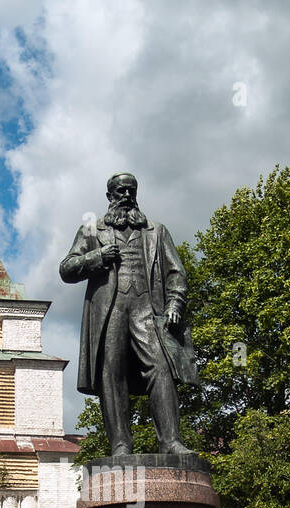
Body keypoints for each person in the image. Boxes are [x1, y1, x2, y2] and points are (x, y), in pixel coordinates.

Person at [60, 173, 198, 458]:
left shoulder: (156, 231)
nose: (126, 195)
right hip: (109, 311)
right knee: (112, 373)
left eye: (131, 190)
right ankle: (120, 444)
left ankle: (171, 441)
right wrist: (97, 258)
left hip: (149, 309)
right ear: (109, 196)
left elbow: (176, 273)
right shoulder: (91, 231)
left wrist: (175, 303)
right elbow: (67, 268)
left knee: (161, 368)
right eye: (120, 191)